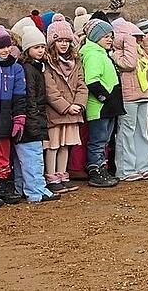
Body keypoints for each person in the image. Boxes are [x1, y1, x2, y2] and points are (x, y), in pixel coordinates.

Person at [111, 19, 148, 182]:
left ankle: (143, 165)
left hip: (143, 95)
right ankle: (126, 168)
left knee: (141, 131)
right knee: (127, 132)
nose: (136, 40)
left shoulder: (140, 51)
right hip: (128, 98)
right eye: (133, 37)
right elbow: (129, 64)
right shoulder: (117, 53)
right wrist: (128, 41)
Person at [14, 26, 58, 202]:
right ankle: (35, 191)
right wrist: (32, 123)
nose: (40, 50)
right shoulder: (28, 70)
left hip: (32, 120)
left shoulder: (35, 68)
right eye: (36, 47)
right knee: (32, 158)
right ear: (27, 49)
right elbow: (29, 98)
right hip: (31, 122)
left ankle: (24, 189)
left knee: (24, 160)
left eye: (42, 46)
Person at [42, 20, 86, 195]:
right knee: (53, 146)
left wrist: (79, 104)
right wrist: (67, 107)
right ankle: (51, 177)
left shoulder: (76, 62)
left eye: (67, 41)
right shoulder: (48, 64)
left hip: (73, 111)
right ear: (52, 42)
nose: (64, 44)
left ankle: (63, 176)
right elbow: (50, 90)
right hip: (56, 113)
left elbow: (82, 85)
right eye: (60, 40)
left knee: (66, 145)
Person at [0, 26, 27, 208]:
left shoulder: (15, 68)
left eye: (8, 46)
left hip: (5, 119)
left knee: (3, 155)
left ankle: (1, 187)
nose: (6, 50)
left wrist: (19, 118)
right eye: (1, 47)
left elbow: (20, 95)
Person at [79, 19, 122, 188]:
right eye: (105, 36)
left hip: (108, 107)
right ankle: (95, 171)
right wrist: (105, 98)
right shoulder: (93, 54)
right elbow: (92, 81)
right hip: (100, 107)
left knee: (104, 141)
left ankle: (102, 167)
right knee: (98, 141)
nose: (110, 39)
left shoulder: (101, 53)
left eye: (111, 36)